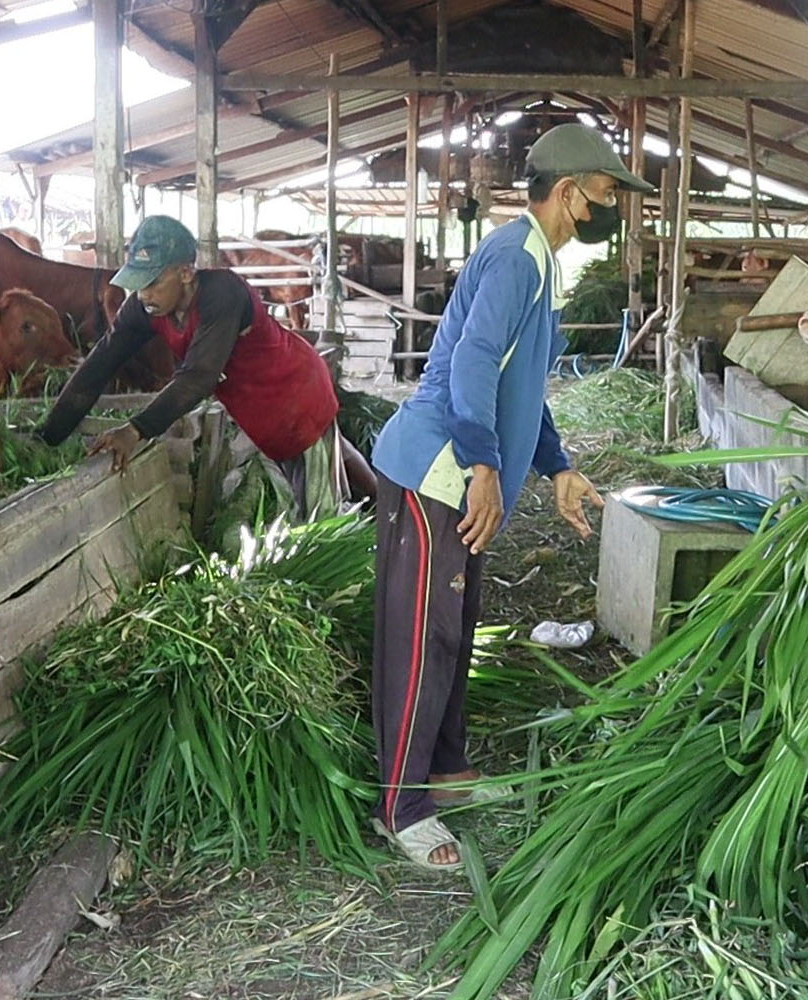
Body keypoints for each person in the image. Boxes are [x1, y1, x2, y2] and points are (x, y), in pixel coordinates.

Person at [366, 123, 653, 870]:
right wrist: (484, 465)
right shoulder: (517, 258)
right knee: (423, 639)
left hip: (457, 472)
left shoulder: (536, 262)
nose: (612, 207)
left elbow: (522, 383)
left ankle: (448, 767)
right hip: (435, 474)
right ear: (569, 193)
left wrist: (555, 464)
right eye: (607, 193)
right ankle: (401, 804)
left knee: (456, 625)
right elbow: (473, 358)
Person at [36, 215, 350, 520]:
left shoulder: (222, 293)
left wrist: (136, 430)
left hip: (295, 393)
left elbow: (199, 376)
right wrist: (48, 437)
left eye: (153, 282)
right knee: (295, 500)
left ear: (186, 273)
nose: (144, 293)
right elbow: (99, 364)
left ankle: (378, 522)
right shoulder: (145, 308)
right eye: (138, 283)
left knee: (317, 517)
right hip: (255, 409)